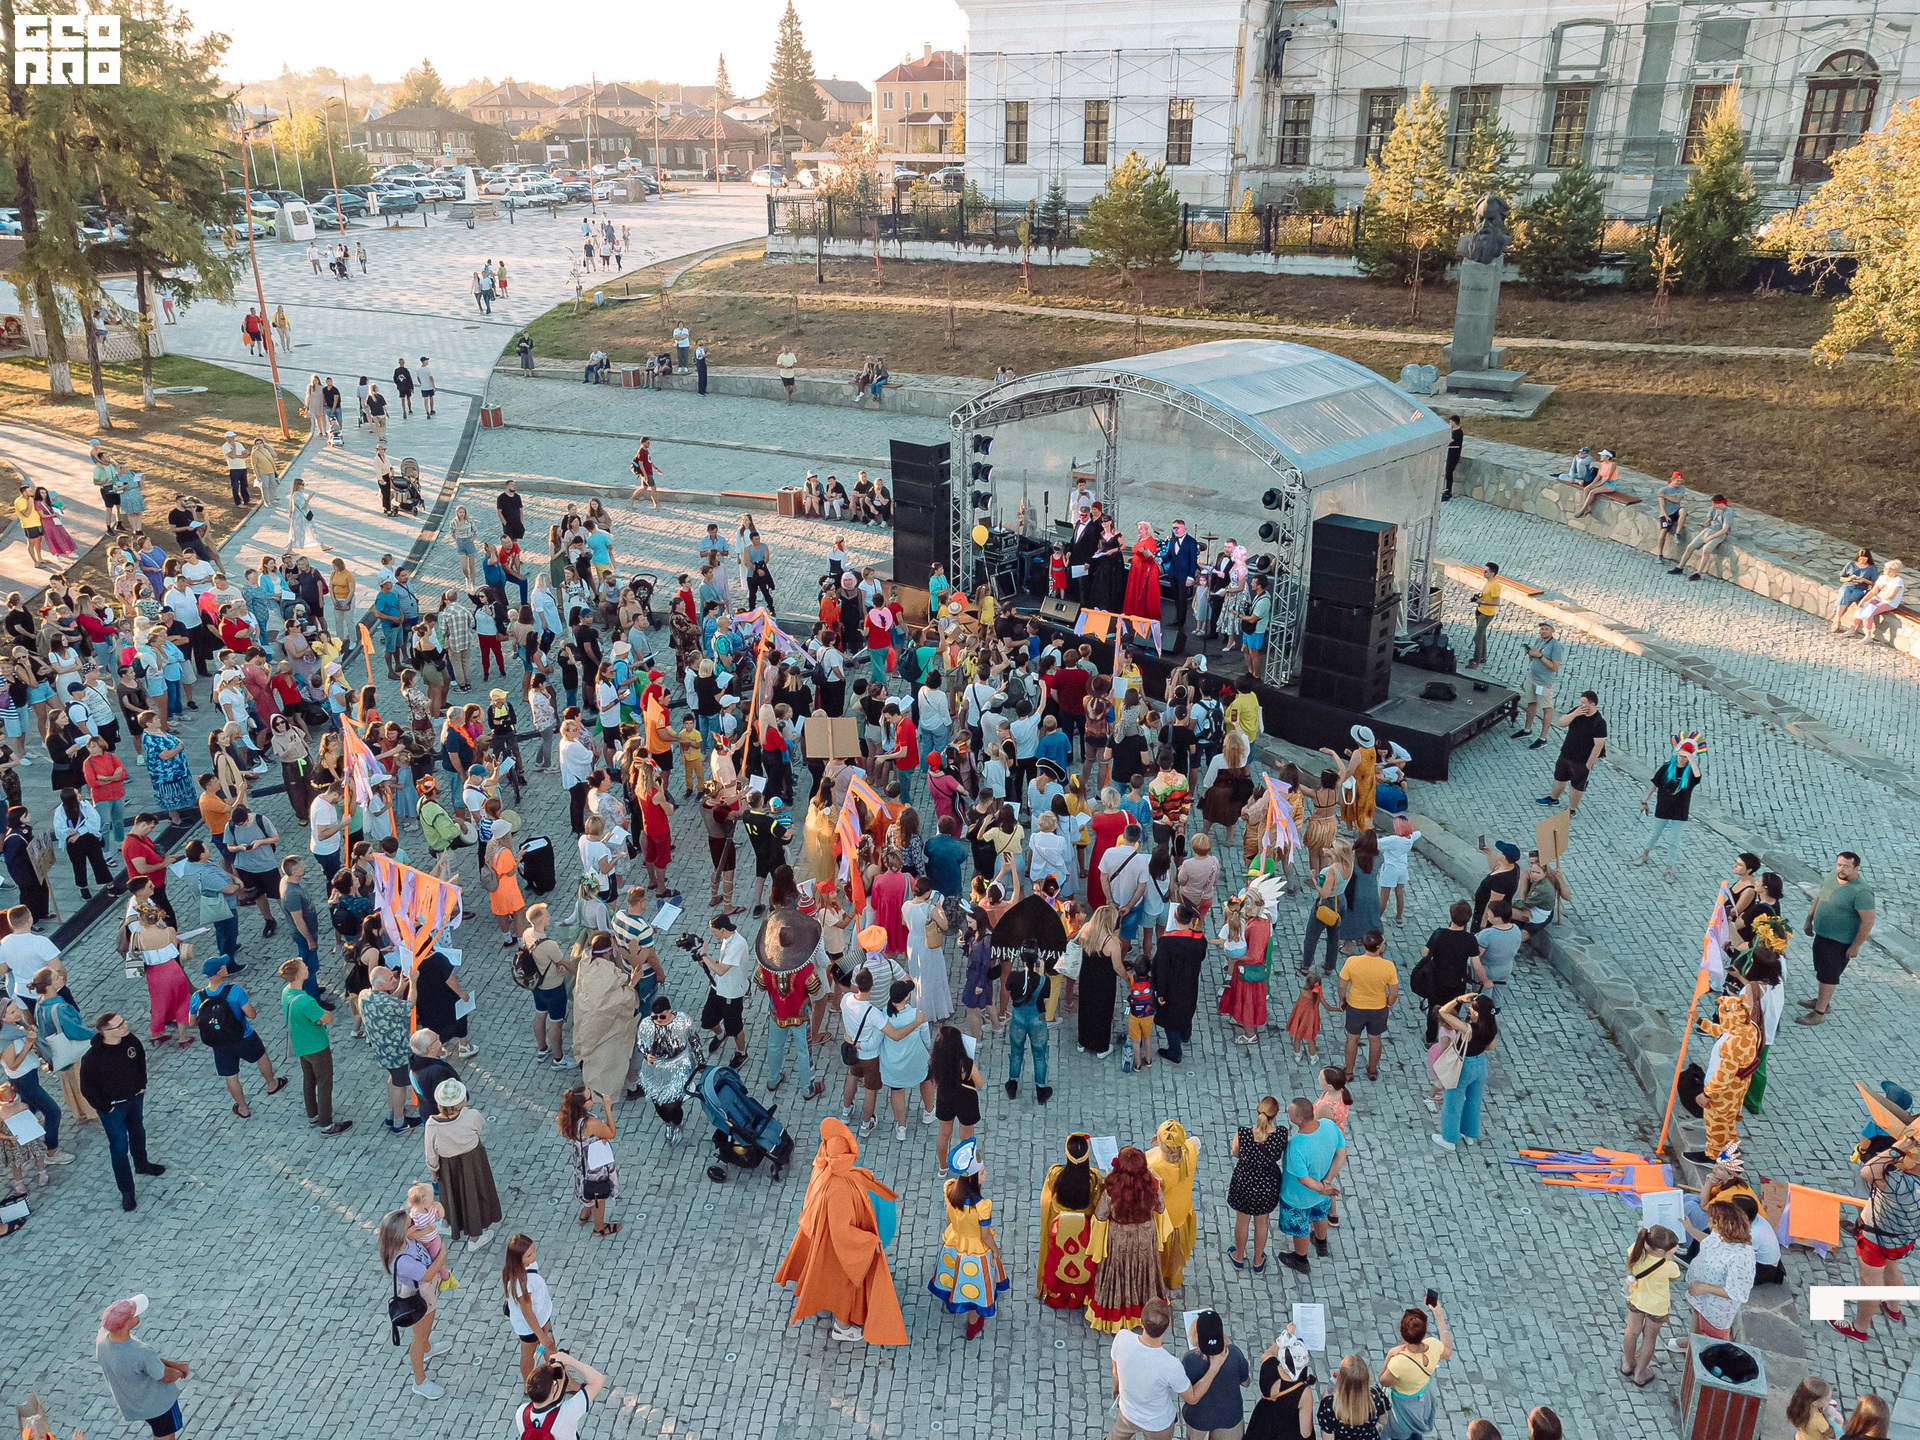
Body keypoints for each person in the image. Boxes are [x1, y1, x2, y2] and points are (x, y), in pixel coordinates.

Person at [773, 1117, 908, 1345]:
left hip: (822, 1237)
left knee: (824, 1275)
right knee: (843, 1286)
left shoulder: (822, 1169)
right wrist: (869, 1242)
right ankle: (842, 1327)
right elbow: (842, 1232)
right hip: (836, 1247)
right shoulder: (839, 1189)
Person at [1830, 1134, 1920, 1340]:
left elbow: (1868, 1170)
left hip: (1876, 1239)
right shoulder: (1904, 1181)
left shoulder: (1897, 1181)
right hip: (1903, 1239)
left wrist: (1897, 1149)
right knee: (1893, 1268)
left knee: (1869, 1284)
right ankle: (1894, 1307)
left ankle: (1859, 1328)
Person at [1108, 1296, 1229, 1440]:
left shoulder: (1122, 1337)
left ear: (1141, 1320)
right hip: (1158, 1423)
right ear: (1168, 1325)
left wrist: (1116, 1387)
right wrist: (1214, 1367)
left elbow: (1115, 1371)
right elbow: (1192, 1397)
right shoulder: (1171, 1364)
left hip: (1127, 1414)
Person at [79, 1012, 166, 1211]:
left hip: (135, 1099)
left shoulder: (130, 1041)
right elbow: (87, 1088)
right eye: (119, 1025)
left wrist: (142, 1085)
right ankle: (127, 1191)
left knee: (138, 1133)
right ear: (105, 1032)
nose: (125, 1026)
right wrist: (105, 1107)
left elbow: (140, 1060)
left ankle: (142, 1165)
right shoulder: (92, 1058)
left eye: (123, 1022)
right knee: (119, 1148)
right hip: (112, 1109)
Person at [928, 1143, 1010, 1341]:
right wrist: (995, 1250)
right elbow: (985, 1235)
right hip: (976, 1250)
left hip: (954, 1242)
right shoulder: (982, 1206)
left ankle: (951, 1299)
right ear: (973, 1179)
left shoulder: (949, 1190)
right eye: (982, 1172)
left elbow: (948, 1219)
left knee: (952, 1273)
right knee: (975, 1287)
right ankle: (973, 1324)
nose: (986, 1173)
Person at [189, 956, 283, 1118]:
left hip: (219, 1044)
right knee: (261, 1056)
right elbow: (251, 1015)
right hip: (244, 1037)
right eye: (223, 966)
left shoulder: (197, 997)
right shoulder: (235, 991)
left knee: (231, 1076)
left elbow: (192, 1023)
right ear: (219, 972)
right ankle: (271, 1084)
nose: (226, 966)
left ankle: (243, 1108)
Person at [1087, 1146, 1167, 1332]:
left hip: (1119, 1239)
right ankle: (1142, 1309)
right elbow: (1161, 1208)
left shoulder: (1112, 1190)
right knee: (1144, 1270)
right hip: (1145, 1237)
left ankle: (1118, 1314)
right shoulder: (1153, 1186)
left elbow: (1100, 1215)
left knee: (1118, 1273)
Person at [95, 1295, 190, 1439]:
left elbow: (149, 1363)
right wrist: (179, 1371)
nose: (137, 1313)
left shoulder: (102, 1338)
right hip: (159, 1406)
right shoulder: (141, 1352)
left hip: (135, 1403)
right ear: (126, 1325)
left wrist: (175, 1365)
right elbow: (164, 1376)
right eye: (133, 1314)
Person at [423, 1077, 502, 1251]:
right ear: (463, 1100)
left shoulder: (432, 1124)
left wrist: (434, 1170)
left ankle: (449, 1223)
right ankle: (474, 1238)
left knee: (450, 1194)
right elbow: (480, 1127)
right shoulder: (472, 1116)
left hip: (447, 1165)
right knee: (474, 1195)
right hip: (474, 1161)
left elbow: (430, 1152)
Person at [1800, 850, 1874, 1026]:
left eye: (1846, 866)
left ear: (1856, 868)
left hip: (1840, 942)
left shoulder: (1861, 891)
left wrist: (1855, 946)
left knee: (1829, 975)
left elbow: (1868, 921)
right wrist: (1809, 919)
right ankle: (1821, 1001)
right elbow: (1820, 897)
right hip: (1822, 934)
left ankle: (1819, 1013)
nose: (1841, 869)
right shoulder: (1831, 878)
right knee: (1821, 970)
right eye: (1839, 865)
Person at [378, 1209, 446, 1398]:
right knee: (419, 1337)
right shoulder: (402, 1261)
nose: (415, 1224)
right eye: (411, 1224)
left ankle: (428, 1348)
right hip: (420, 1294)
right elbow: (427, 1275)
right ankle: (420, 1381)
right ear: (400, 1233)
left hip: (424, 1289)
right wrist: (442, 1254)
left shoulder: (405, 1240)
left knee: (425, 1331)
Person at [279, 957, 350, 1135]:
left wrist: (318, 1018)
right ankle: (326, 1124)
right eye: (304, 967)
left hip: (301, 1044)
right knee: (325, 1083)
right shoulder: (306, 1002)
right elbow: (328, 1018)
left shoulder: (286, 992)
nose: (307, 968)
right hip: (317, 1046)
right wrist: (320, 1017)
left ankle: (313, 1114)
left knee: (309, 1079)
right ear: (298, 975)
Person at [1277, 1097, 1345, 1275]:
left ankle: (1300, 1259)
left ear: (1300, 1119)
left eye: (1290, 1112)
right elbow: (1341, 1154)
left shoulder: (1296, 1145)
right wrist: (1327, 1182)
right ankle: (1321, 1243)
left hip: (1298, 1197)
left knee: (1300, 1229)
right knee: (1319, 1215)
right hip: (1321, 1193)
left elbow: (1303, 1179)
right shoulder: (1329, 1126)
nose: (1287, 1114)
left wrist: (1322, 1187)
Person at [1037, 1132, 1105, 1309]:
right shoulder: (1093, 1178)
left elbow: (1047, 1199)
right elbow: (1097, 1204)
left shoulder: (1055, 1173)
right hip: (1084, 1230)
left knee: (1059, 1258)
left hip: (1059, 1228)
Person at [1227, 1096, 1288, 1273]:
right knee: (1262, 1222)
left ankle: (1238, 1257)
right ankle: (1258, 1260)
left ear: (1257, 1110)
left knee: (1242, 1221)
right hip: (1267, 1184)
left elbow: (1236, 1153)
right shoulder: (1281, 1134)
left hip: (1244, 1181)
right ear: (1275, 1114)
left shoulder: (1243, 1134)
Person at [1430, 992, 1497, 1150]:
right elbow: (1491, 1047)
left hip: (1464, 1066)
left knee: (1452, 1103)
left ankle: (1449, 1139)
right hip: (1480, 1064)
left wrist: (1457, 999)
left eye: (1471, 1009)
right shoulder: (1492, 1026)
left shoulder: (1469, 1029)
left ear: (1477, 1013)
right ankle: (1469, 1134)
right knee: (1473, 1101)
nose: (1469, 1010)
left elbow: (1443, 1012)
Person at [1378, 1301, 1453, 1438]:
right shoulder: (1433, 1345)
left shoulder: (1398, 1362)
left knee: (1402, 1433)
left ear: (1402, 1333)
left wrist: (1389, 1355)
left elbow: (1383, 1380)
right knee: (1416, 1427)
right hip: (1422, 1400)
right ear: (1424, 1332)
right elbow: (1447, 1351)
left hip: (1402, 1408)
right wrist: (1440, 1317)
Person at [1620, 1224, 1682, 1385]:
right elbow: (1674, 1277)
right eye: (1672, 1248)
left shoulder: (1636, 1250)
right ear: (1661, 1251)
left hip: (1636, 1299)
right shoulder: (1668, 1266)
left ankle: (1628, 1364)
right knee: (1649, 1338)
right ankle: (1640, 1374)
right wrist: (1670, 1257)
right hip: (1657, 1307)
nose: (1676, 1248)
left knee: (1631, 1331)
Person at [1685, 1200, 1756, 1338]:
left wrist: (1703, 1288)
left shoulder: (1742, 1256)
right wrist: (1689, 1229)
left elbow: (1737, 1292)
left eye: (1712, 1220)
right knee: (1696, 1323)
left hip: (1716, 1308)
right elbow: (1708, 1240)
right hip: (1700, 1298)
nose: (1708, 1224)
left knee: (1712, 1339)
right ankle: (1690, 1341)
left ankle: (1693, 1346)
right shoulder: (1721, 1235)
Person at [559, 1082, 622, 1235]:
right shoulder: (591, 1123)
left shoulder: (570, 1118)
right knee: (598, 1196)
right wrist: (607, 1108)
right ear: (583, 1105)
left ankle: (585, 1213)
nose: (593, 1097)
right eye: (590, 1097)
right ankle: (599, 1228)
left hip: (582, 1162)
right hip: (595, 1165)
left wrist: (600, 1135)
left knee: (587, 1188)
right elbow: (611, 1133)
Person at [1536, 689, 1606, 817]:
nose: (1581, 705)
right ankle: (1553, 798)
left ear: (1592, 704)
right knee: (1559, 778)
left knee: (1576, 786)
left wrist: (1589, 764)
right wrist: (1574, 714)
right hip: (1566, 753)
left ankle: (1571, 810)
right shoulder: (1577, 711)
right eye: (1580, 702)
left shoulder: (1599, 722)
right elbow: (1561, 722)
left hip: (1582, 760)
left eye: (1584, 703)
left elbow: (1599, 744)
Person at [1338, 930, 1397, 1082]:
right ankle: (1372, 1070)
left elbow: (1342, 985)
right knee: (1375, 1040)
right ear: (1379, 947)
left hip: (1355, 1007)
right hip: (1378, 1009)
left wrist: (1342, 1000)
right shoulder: (1388, 966)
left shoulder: (1352, 962)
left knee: (1352, 1039)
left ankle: (1349, 1072)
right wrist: (1388, 1004)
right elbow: (1393, 993)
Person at [516, 1352, 609, 1439]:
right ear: (553, 1390)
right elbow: (598, 1379)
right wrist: (570, 1360)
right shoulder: (566, 1414)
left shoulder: (521, 1413)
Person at [1247, 1329, 1316, 1440]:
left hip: (1261, 1425)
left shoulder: (1268, 1366)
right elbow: (1305, 1432)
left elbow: (1268, 1354)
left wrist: (1287, 1335)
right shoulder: (1304, 1392)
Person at [1514, 621, 1565, 747]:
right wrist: (1530, 653)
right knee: (1531, 703)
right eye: (1542, 629)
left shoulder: (1556, 646)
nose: (1543, 631)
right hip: (1532, 679)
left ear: (1552, 630)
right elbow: (1534, 657)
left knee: (1546, 709)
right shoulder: (1539, 640)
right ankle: (1527, 730)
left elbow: (1554, 667)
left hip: (1543, 684)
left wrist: (1540, 656)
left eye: (1546, 629)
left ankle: (1542, 738)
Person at [1318, 1354, 1391, 1440]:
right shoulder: (1376, 1395)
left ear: (1341, 1379)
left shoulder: (1329, 1405)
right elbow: (1384, 1420)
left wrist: (1328, 1389)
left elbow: (1327, 1436)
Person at [1672, 495, 1734, 581]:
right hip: (1708, 530)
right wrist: (1705, 524)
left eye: (1715, 504)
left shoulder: (1728, 512)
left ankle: (1698, 573)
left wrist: (1710, 538)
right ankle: (1680, 567)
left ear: (1720, 503)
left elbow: (1724, 530)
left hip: (1719, 534)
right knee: (1690, 546)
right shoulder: (1713, 509)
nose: (1713, 506)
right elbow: (1709, 519)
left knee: (1705, 549)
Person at [1465, 562, 1500, 670]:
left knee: (1477, 637)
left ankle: (1476, 661)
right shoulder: (1488, 582)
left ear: (1492, 573)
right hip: (1480, 611)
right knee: (1482, 635)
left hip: (1486, 614)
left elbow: (1497, 602)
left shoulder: (1495, 586)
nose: (1483, 573)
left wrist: (1482, 602)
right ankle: (1482, 657)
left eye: (1486, 571)